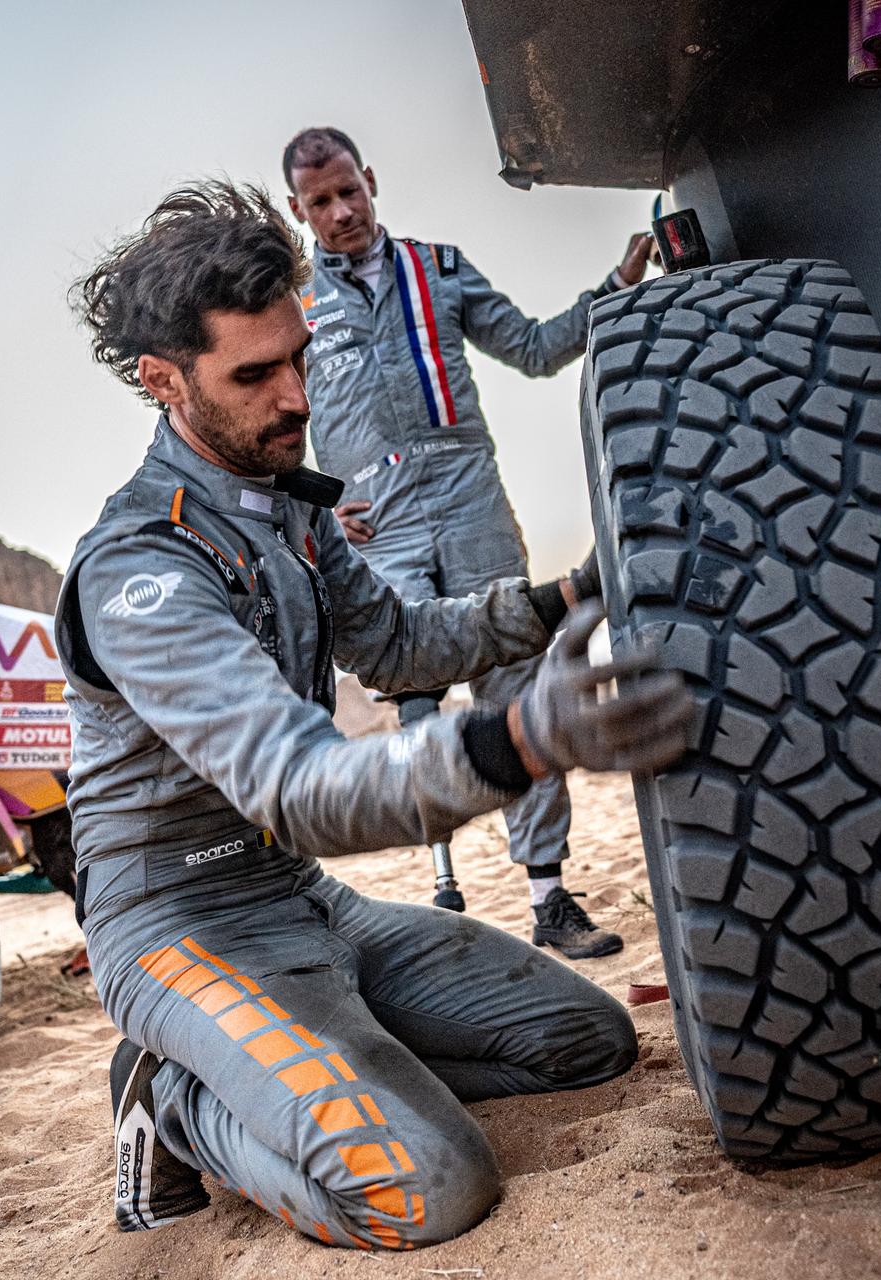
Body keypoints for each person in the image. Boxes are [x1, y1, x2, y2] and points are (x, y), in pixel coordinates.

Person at [58, 181, 691, 1250]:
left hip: (300, 902)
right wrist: (521, 740)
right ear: (161, 380)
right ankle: (173, 1095)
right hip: (178, 928)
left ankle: (308, 1064)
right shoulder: (140, 566)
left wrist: (561, 599)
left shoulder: (285, 507)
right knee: (426, 1187)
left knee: (590, 1040)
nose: (297, 396)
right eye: (254, 374)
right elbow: (299, 784)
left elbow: (398, 643)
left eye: (298, 356)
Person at [280, 125, 652, 959]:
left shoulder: (438, 268)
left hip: (470, 500)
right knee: (413, 693)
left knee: (517, 678)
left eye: (350, 191)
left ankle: (551, 899)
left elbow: (532, 347)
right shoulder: (293, 302)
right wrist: (314, 510)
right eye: (320, 203)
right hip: (379, 521)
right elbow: (273, 417)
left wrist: (617, 283)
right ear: (296, 209)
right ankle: (444, 895)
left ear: (371, 177)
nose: (342, 213)